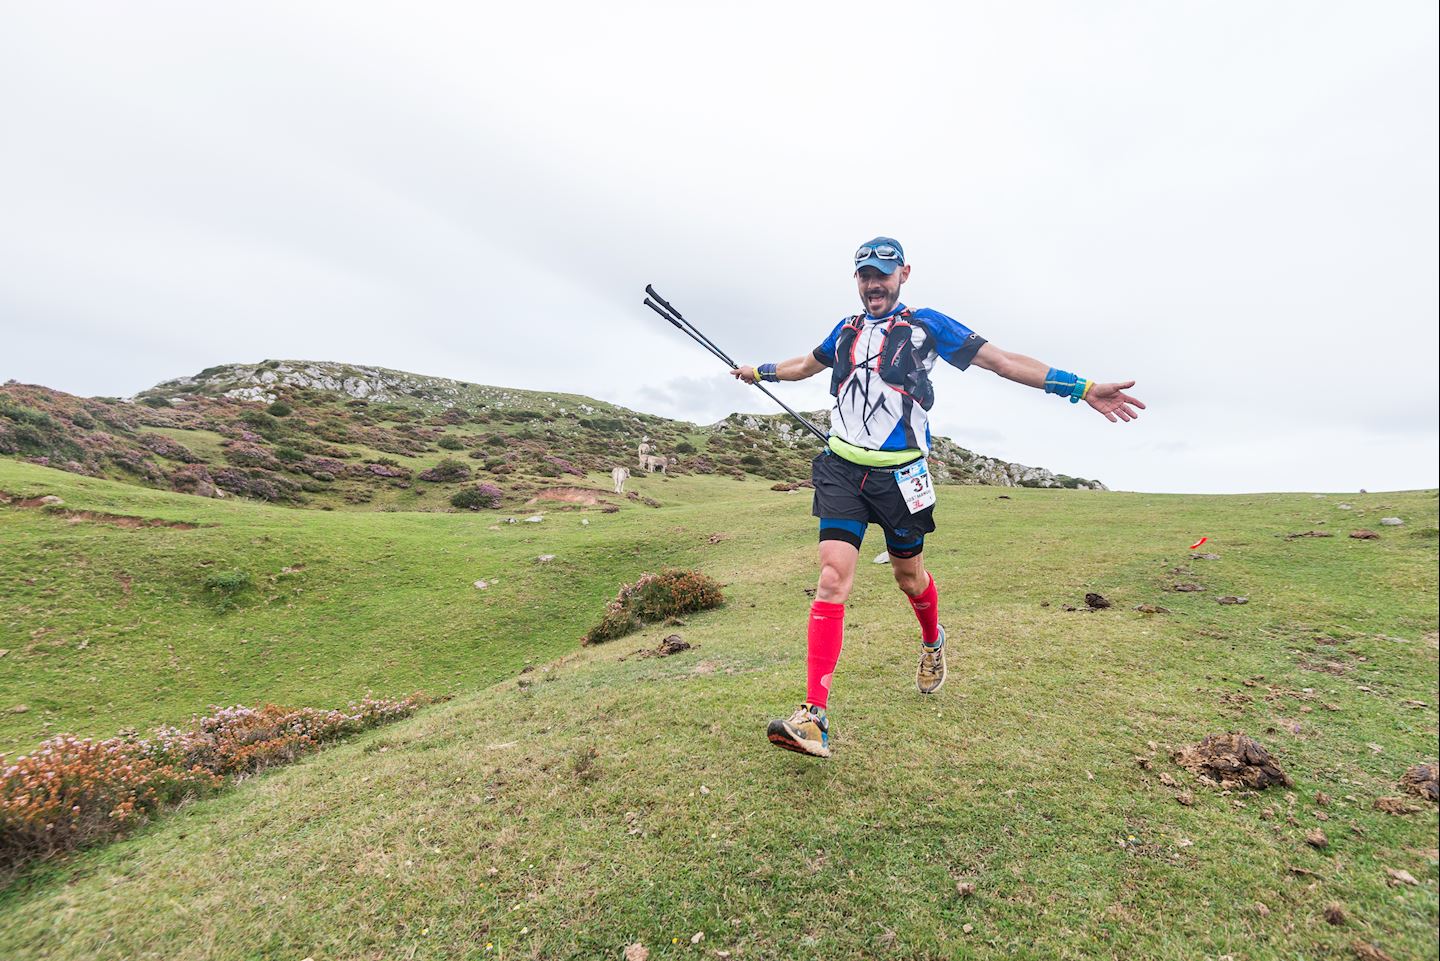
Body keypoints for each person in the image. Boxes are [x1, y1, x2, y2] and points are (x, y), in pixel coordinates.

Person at [731, 236, 1145, 759]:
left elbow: (1003, 361)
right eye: (863, 274)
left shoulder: (928, 325)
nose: (872, 283)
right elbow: (807, 366)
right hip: (842, 471)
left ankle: (932, 640)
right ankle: (813, 715)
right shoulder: (847, 329)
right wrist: (758, 372)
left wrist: (1080, 387)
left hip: (902, 478)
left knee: (909, 577)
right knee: (832, 575)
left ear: (903, 273)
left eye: (882, 273)